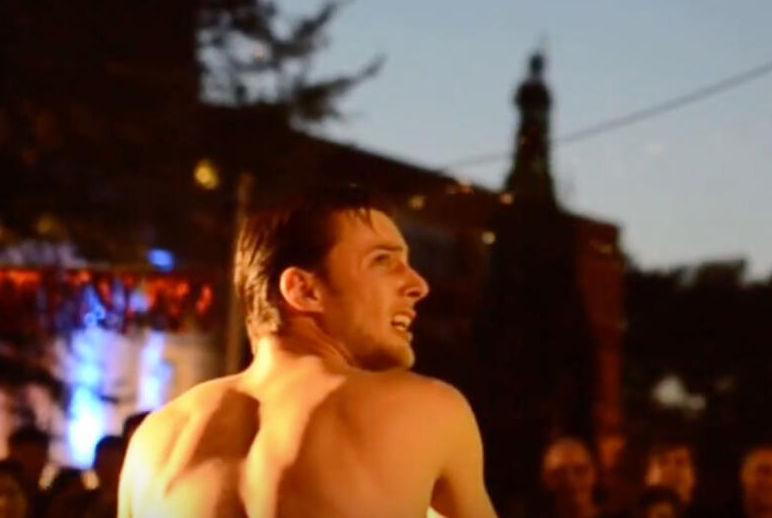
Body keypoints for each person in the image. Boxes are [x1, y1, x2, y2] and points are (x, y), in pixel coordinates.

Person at [117, 182, 495, 517]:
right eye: (383, 261)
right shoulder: (425, 410)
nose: (418, 285)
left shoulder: (154, 442)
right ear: (304, 290)